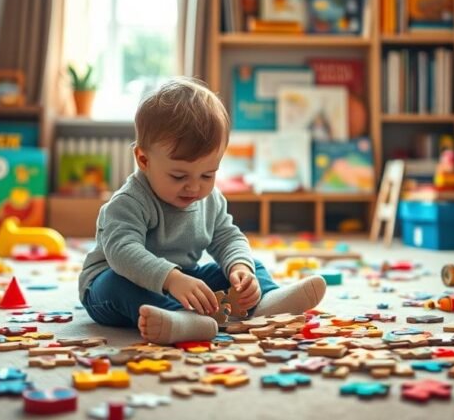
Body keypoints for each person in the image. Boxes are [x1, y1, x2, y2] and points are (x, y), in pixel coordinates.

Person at [78, 77, 326, 344]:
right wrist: (170, 279)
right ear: (144, 160)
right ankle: (180, 320)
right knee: (117, 284)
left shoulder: (210, 200)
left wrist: (240, 268)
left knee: (247, 266)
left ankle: (264, 300)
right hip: (112, 288)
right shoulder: (129, 201)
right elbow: (122, 252)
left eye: (208, 175)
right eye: (178, 176)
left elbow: (227, 237)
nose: (194, 187)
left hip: (182, 282)